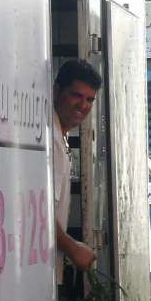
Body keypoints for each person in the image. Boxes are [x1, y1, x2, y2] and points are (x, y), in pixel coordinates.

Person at [52, 59, 102, 274]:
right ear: (57, 91)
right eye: (77, 95)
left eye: (89, 99)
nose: (83, 105)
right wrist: (72, 246)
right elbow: (37, 215)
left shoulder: (60, 136)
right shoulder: (48, 140)